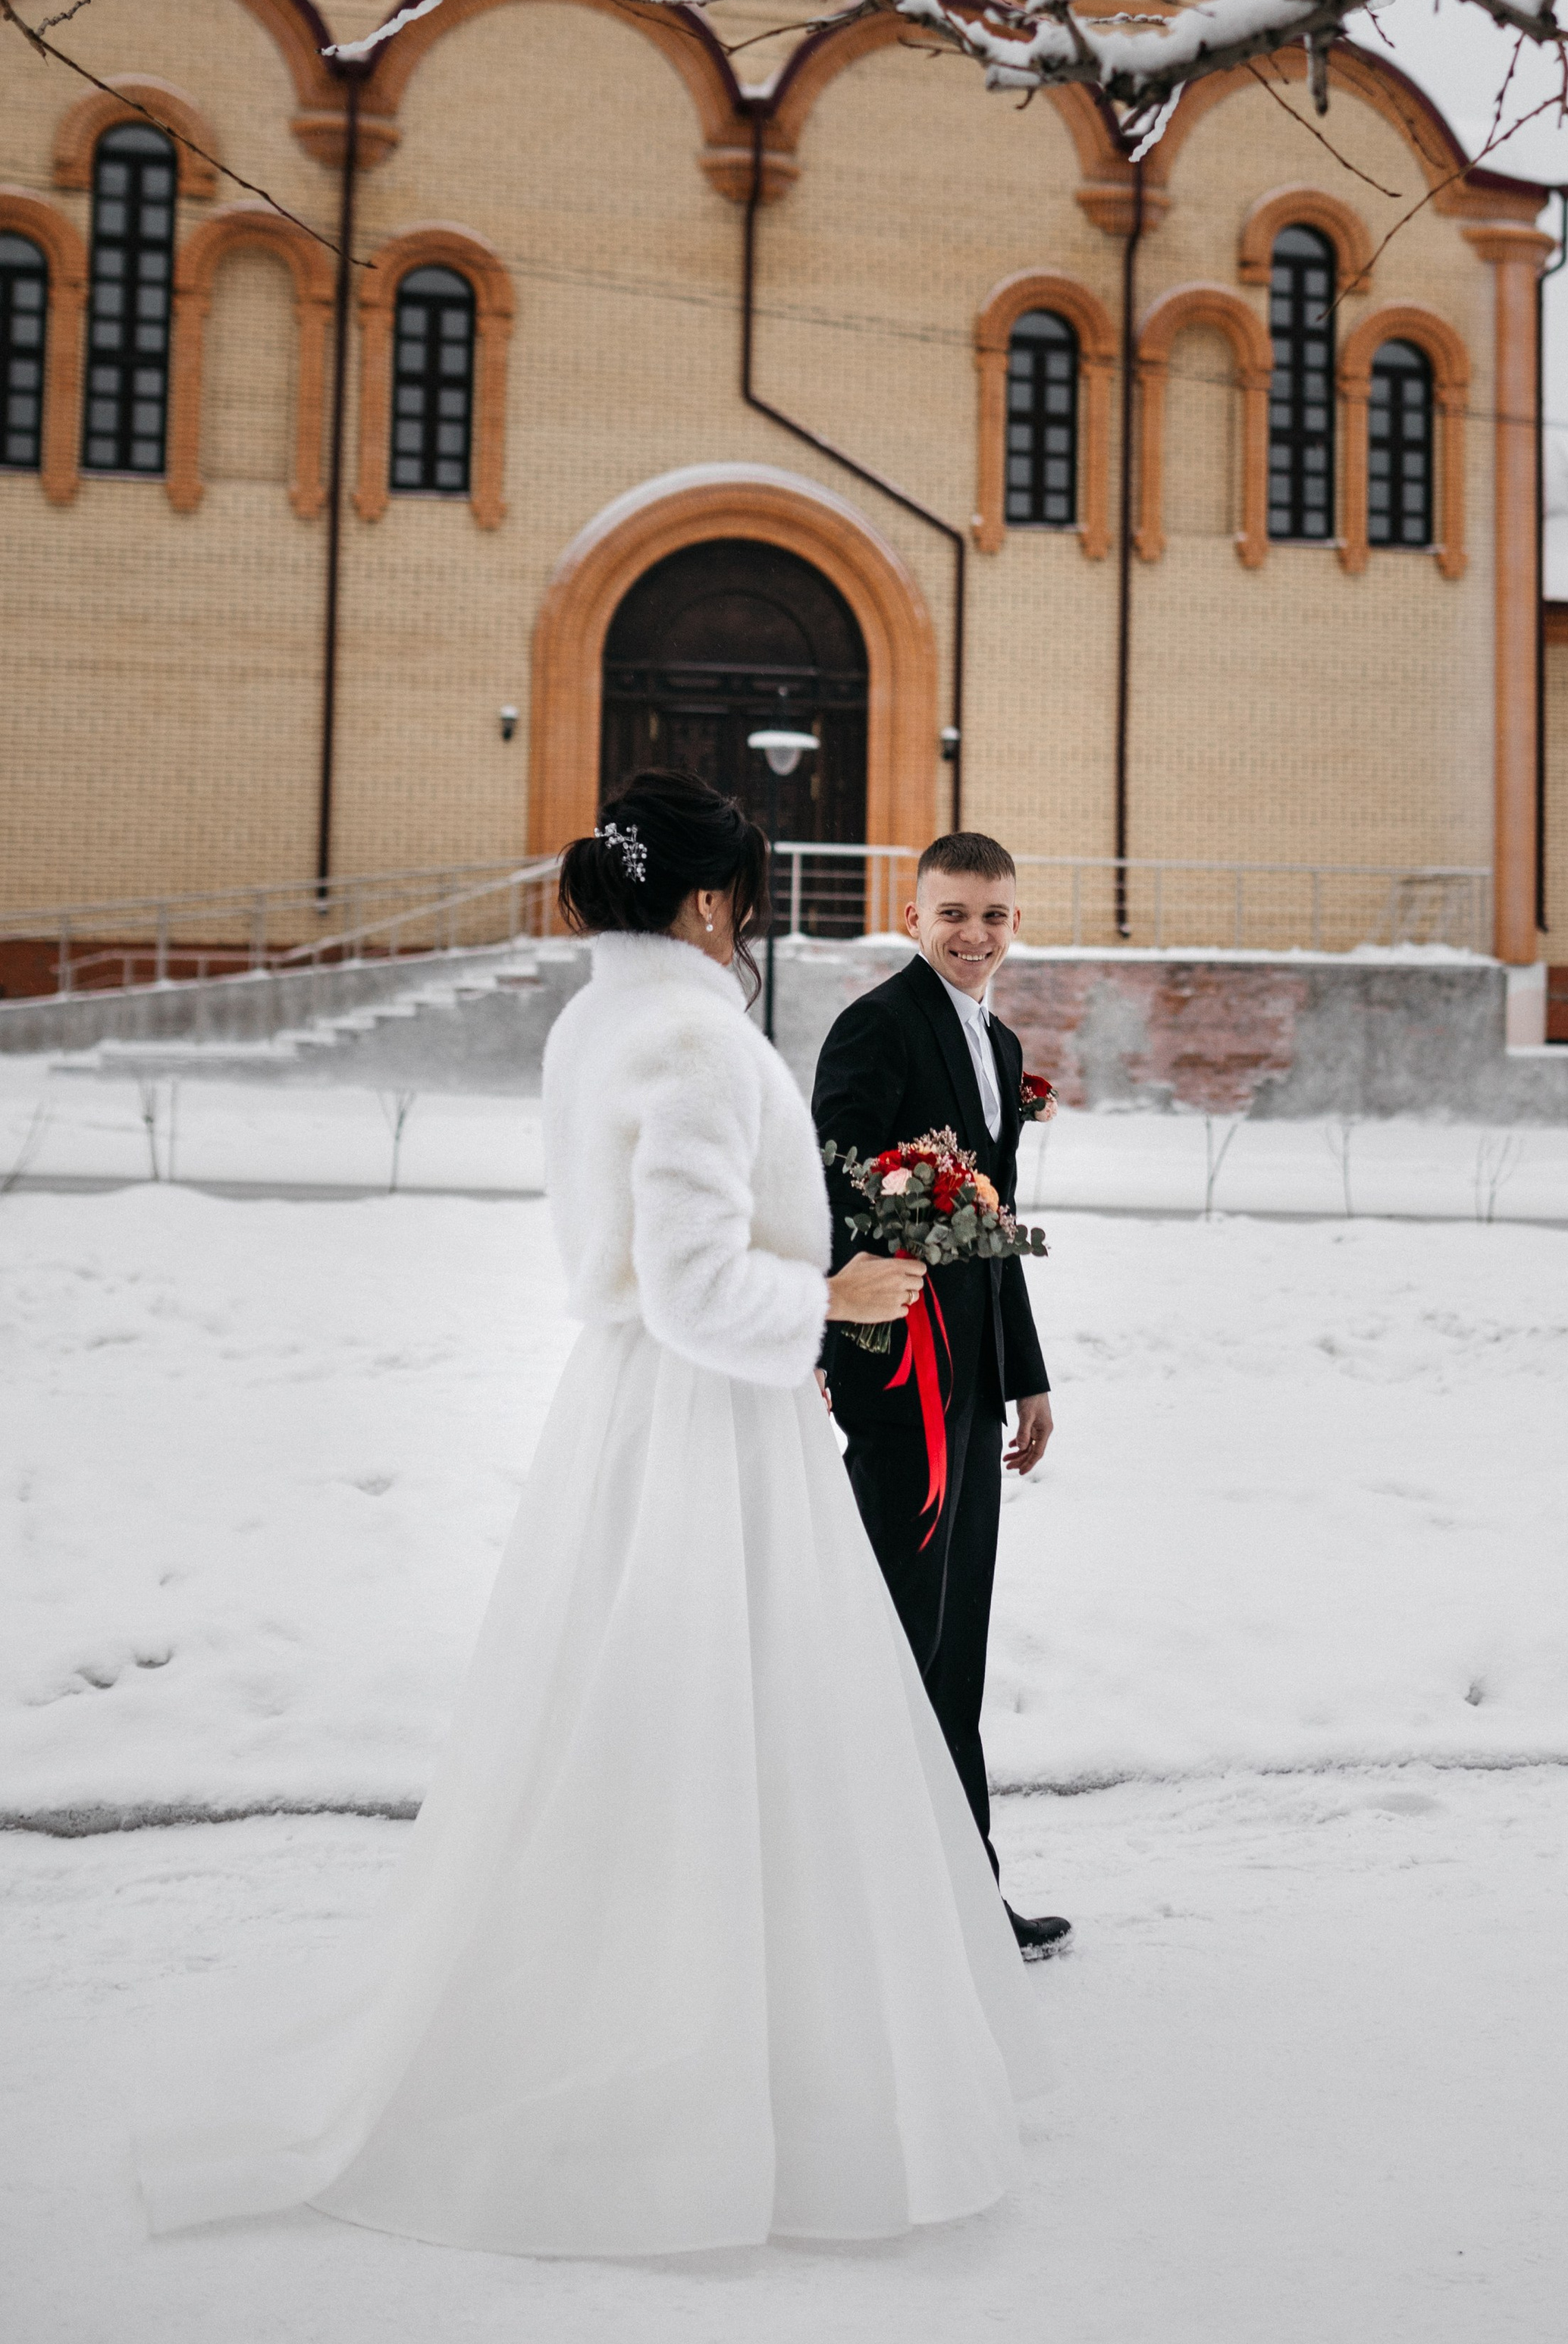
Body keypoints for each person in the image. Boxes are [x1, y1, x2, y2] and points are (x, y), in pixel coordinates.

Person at [136, 770, 1050, 2257]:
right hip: (703, 1422)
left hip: (644, 1411)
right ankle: (718, 2062)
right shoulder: (691, 1033)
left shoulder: (603, 1015)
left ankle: (686, 2006)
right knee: (719, 1717)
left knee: (650, 1720)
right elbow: (691, 1281)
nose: (749, 919)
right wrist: (822, 1295)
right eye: (743, 893)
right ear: (706, 901)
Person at [813, 831, 1071, 1961]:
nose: (976, 935)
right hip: (895, 1379)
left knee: (954, 1644)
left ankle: (964, 1897)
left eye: (995, 915)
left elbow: (995, 1230)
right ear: (910, 915)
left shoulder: (1002, 1040)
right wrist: (832, 1326)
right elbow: (827, 1179)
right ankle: (860, 1898)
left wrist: (1028, 1375)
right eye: (954, 912)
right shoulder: (874, 1027)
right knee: (893, 1637)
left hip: (971, 1387)